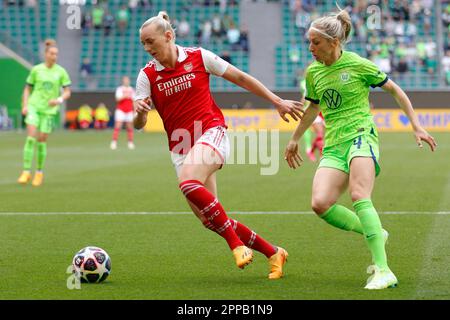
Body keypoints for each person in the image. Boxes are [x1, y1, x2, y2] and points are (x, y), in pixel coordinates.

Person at [134, 11, 303, 278]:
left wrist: (277, 100)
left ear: (168, 36)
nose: (147, 48)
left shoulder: (199, 56)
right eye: (143, 43)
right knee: (208, 219)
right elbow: (138, 124)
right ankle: (274, 252)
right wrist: (141, 112)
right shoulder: (146, 76)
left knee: (188, 182)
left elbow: (241, 78)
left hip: (211, 132)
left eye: (150, 41)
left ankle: (236, 246)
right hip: (180, 147)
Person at [284, 8, 437, 290]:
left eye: (315, 42)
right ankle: (375, 231)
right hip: (334, 144)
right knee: (320, 204)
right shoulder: (313, 73)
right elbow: (313, 107)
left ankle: (383, 269)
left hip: (361, 135)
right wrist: (295, 138)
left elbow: (396, 91)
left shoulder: (358, 65)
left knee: (358, 194)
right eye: (309, 42)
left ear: (334, 42)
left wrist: (416, 125)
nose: (310, 48)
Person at [17, 39, 71, 186]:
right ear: (46, 54)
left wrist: (59, 100)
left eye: (56, 54)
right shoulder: (36, 70)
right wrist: (25, 105)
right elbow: (27, 88)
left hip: (49, 111)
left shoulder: (61, 72)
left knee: (41, 140)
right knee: (30, 137)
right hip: (34, 107)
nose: (54, 56)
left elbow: (67, 92)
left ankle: (39, 172)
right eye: (52, 53)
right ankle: (26, 171)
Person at [111, 76, 136, 150]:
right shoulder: (120, 89)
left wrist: (134, 111)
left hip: (129, 110)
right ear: (123, 81)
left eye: (127, 80)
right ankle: (114, 142)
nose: (126, 81)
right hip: (121, 110)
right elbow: (117, 99)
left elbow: (134, 101)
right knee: (118, 126)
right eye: (125, 80)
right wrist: (124, 96)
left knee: (129, 127)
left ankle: (130, 142)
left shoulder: (132, 89)